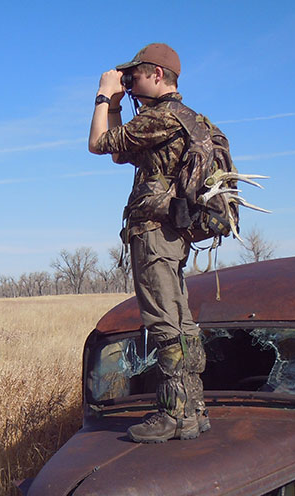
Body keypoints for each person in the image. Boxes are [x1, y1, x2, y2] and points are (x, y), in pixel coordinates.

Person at [88, 43, 211, 443]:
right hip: (171, 234)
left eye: (135, 74)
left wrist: (104, 96)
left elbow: (98, 143)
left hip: (154, 232)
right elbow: (120, 154)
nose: (130, 80)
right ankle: (193, 410)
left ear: (158, 74)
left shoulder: (163, 115)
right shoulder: (185, 119)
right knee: (181, 320)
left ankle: (172, 415)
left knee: (162, 322)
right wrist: (122, 105)